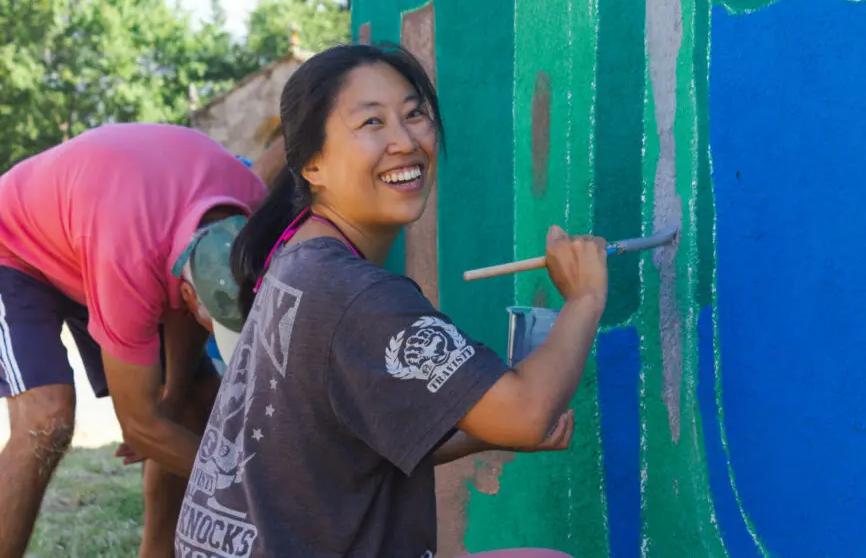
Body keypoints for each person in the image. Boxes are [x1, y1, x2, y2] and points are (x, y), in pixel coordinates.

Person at [174, 44, 609, 558]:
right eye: (372, 123)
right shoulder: (355, 293)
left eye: (414, 113)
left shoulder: (297, 255)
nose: (404, 141)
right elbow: (526, 413)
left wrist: (483, 433)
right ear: (312, 164)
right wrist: (585, 296)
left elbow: (357, 440)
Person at [0, 122, 284, 558]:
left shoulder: (251, 206)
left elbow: (176, 375)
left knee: (193, 405)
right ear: (186, 292)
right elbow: (139, 425)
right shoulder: (130, 262)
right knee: (46, 417)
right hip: (15, 244)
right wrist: (256, 492)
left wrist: (173, 401)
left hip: (100, 230)